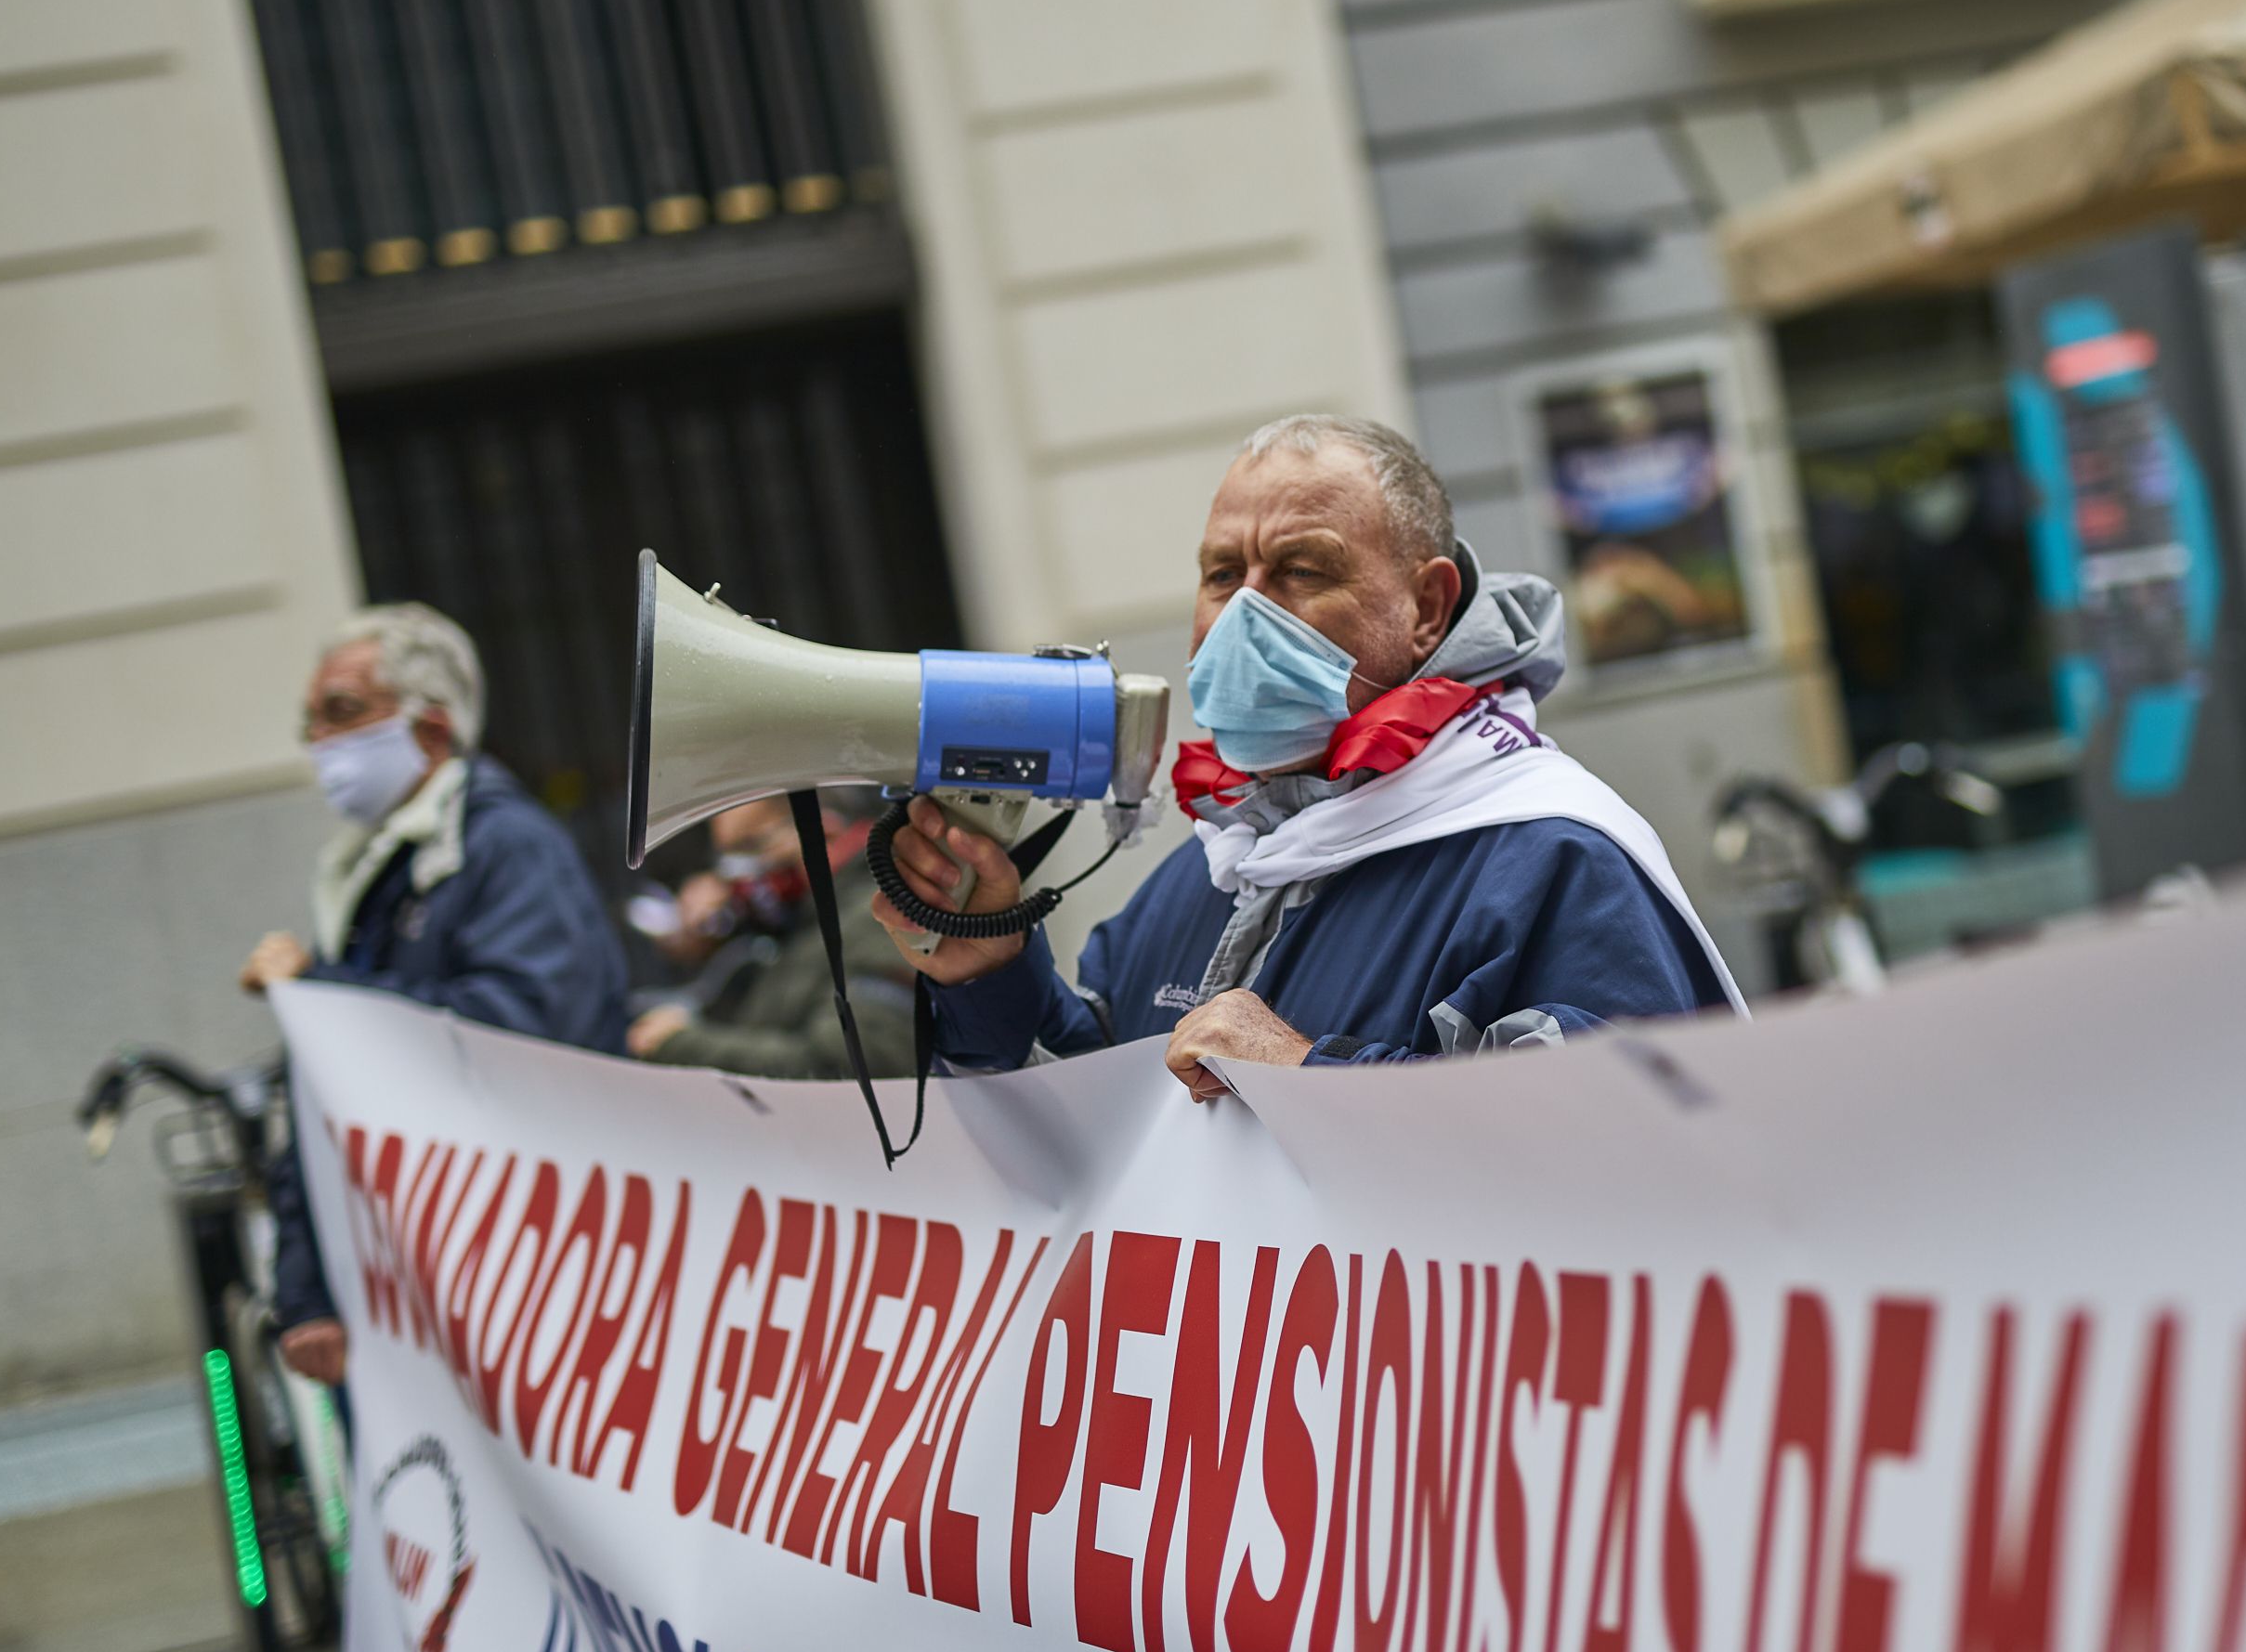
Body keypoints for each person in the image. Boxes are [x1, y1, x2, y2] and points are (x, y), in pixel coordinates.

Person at [872, 413, 1743, 1094]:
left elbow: (1627, 1151)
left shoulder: (1552, 859)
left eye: (1301, 570)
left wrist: (1309, 1077)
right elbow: (1087, 1132)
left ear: (1428, 607)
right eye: (1222, 575)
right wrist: (988, 967)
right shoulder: (1212, 865)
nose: (1246, 613)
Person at [242, 604, 629, 1385]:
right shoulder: (379, 867)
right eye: (311, 721)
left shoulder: (502, 848)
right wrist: (306, 1294)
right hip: (421, 1286)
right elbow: (326, 1091)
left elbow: (522, 1030)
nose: (320, 740)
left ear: (432, 726)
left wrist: (319, 988)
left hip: (523, 1275)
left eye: (343, 712)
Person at [628, 795, 920, 1078]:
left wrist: (681, 1045)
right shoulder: (806, 914)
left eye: (751, 847)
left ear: (823, 833)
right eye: (727, 858)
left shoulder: (880, 917)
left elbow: (846, 1067)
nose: (738, 874)